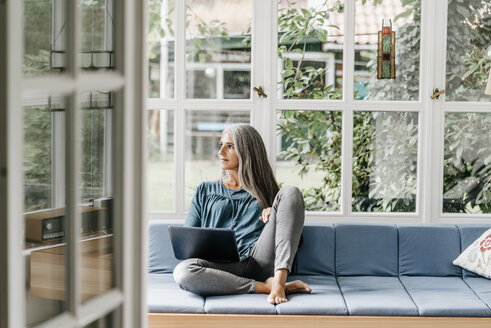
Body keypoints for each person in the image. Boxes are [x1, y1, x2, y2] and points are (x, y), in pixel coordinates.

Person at [173, 124, 311, 304]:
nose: (221, 151)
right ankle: (268, 287)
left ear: (247, 151)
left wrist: (274, 218)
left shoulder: (266, 191)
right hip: (219, 269)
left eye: (230, 146)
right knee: (183, 272)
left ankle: (279, 280)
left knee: (291, 191)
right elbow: (188, 240)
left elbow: (294, 241)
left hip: (259, 261)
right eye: (221, 144)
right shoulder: (205, 190)